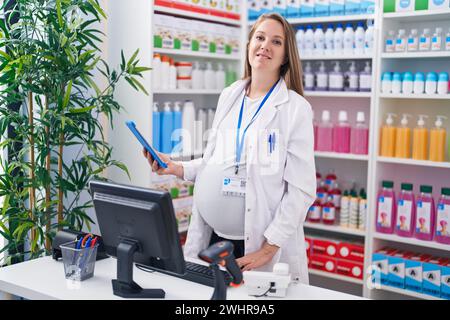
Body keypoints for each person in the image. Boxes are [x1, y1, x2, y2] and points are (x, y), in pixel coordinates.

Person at [143, 13, 316, 283]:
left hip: (259, 244)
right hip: (213, 238)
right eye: (259, 37)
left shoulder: (295, 108)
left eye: (276, 41)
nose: (264, 46)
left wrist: (269, 248)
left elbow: (301, 189)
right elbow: (217, 160)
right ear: (249, 45)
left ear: (285, 56)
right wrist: (176, 167)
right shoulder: (230, 94)